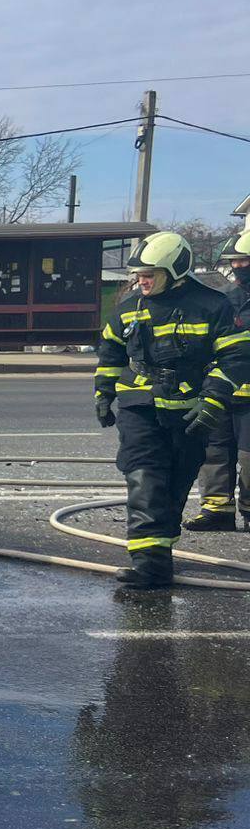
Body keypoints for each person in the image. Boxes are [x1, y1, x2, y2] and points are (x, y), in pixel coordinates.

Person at [95, 230, 250, 588]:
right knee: (144, 477)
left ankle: (159, 554)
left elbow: (236, 357)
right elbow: (111, 350)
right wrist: (103, 392)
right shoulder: (130, 306)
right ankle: (149, 564)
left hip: (190, 411)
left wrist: (213, 400)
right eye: (139, 275)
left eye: (150, 274)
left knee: (174, 485)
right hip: (140, 405)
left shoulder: (212, 306)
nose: (142, 281)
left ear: (175, 271)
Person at [183, 224, 250, 532]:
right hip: (221, 392)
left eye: (244, 260)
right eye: (234, 261)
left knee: (249, 459)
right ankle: (217, 511)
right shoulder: (223, 300)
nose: (237, 266)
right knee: (214, 452)